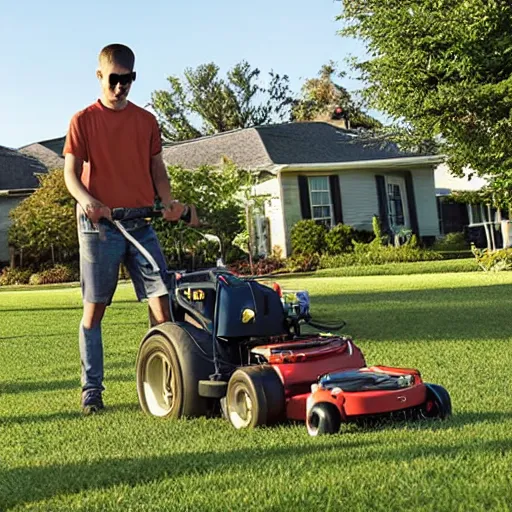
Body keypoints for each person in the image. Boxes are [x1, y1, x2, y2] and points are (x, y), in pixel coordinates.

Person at [63, 43, 196, 415]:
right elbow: (70, 175)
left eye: (129, 79)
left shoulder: (146, 121)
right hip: (99, 225)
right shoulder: (83, 120)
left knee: (162, 304)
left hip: (140, 222)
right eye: (115, 79)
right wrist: (87, 201)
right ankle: (92, 391)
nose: (121, 87)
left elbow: (158, 170)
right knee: (95, 311)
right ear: (100, 76)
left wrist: (167, 201)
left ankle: (166, 384)